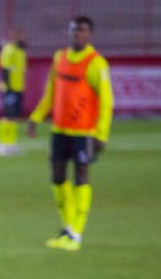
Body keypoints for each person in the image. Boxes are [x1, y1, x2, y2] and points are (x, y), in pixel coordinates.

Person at [27, 16, 113, 252]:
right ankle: (67, 227)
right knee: (57, 176)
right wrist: (36, 117)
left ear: (90, 34)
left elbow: (106, 102)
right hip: (60, 130)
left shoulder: (96, 64)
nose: (78, 35)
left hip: (84, 132)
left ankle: (76, 232)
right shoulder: (60, 58)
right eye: (74, 31)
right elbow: (51, 92)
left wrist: (101, 134)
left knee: (81, 176)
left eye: (82, 31)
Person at [0, 28, 27, 156]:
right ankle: (2, 144)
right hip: (10, 88)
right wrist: (8, 87)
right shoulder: (9, 50)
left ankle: (11, 143)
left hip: (18, 87)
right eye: (21, 36)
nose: (23, 39)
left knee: (14, 117)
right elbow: (5, 70)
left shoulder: (20, 51)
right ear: (14, 36)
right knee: (7, 115)